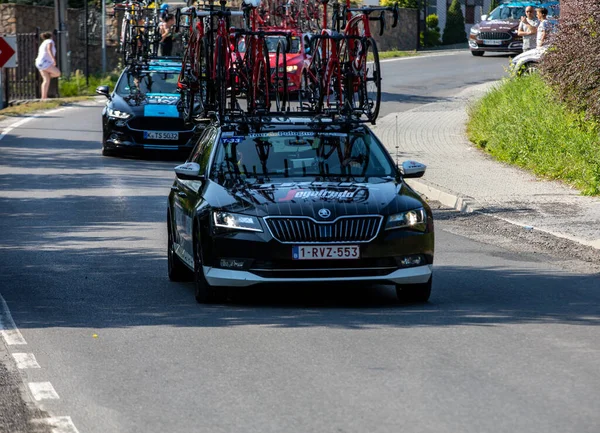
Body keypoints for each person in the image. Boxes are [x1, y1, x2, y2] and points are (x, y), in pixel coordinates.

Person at [35, 32, 61, 100]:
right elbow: (49, 49)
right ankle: (49, 76)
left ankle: (43, 97)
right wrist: (53, 59)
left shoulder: (43, 43)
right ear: (51, 36)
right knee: (57, 73)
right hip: (45, 62)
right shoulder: (50, 41)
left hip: (39, 62)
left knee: (46, 80)